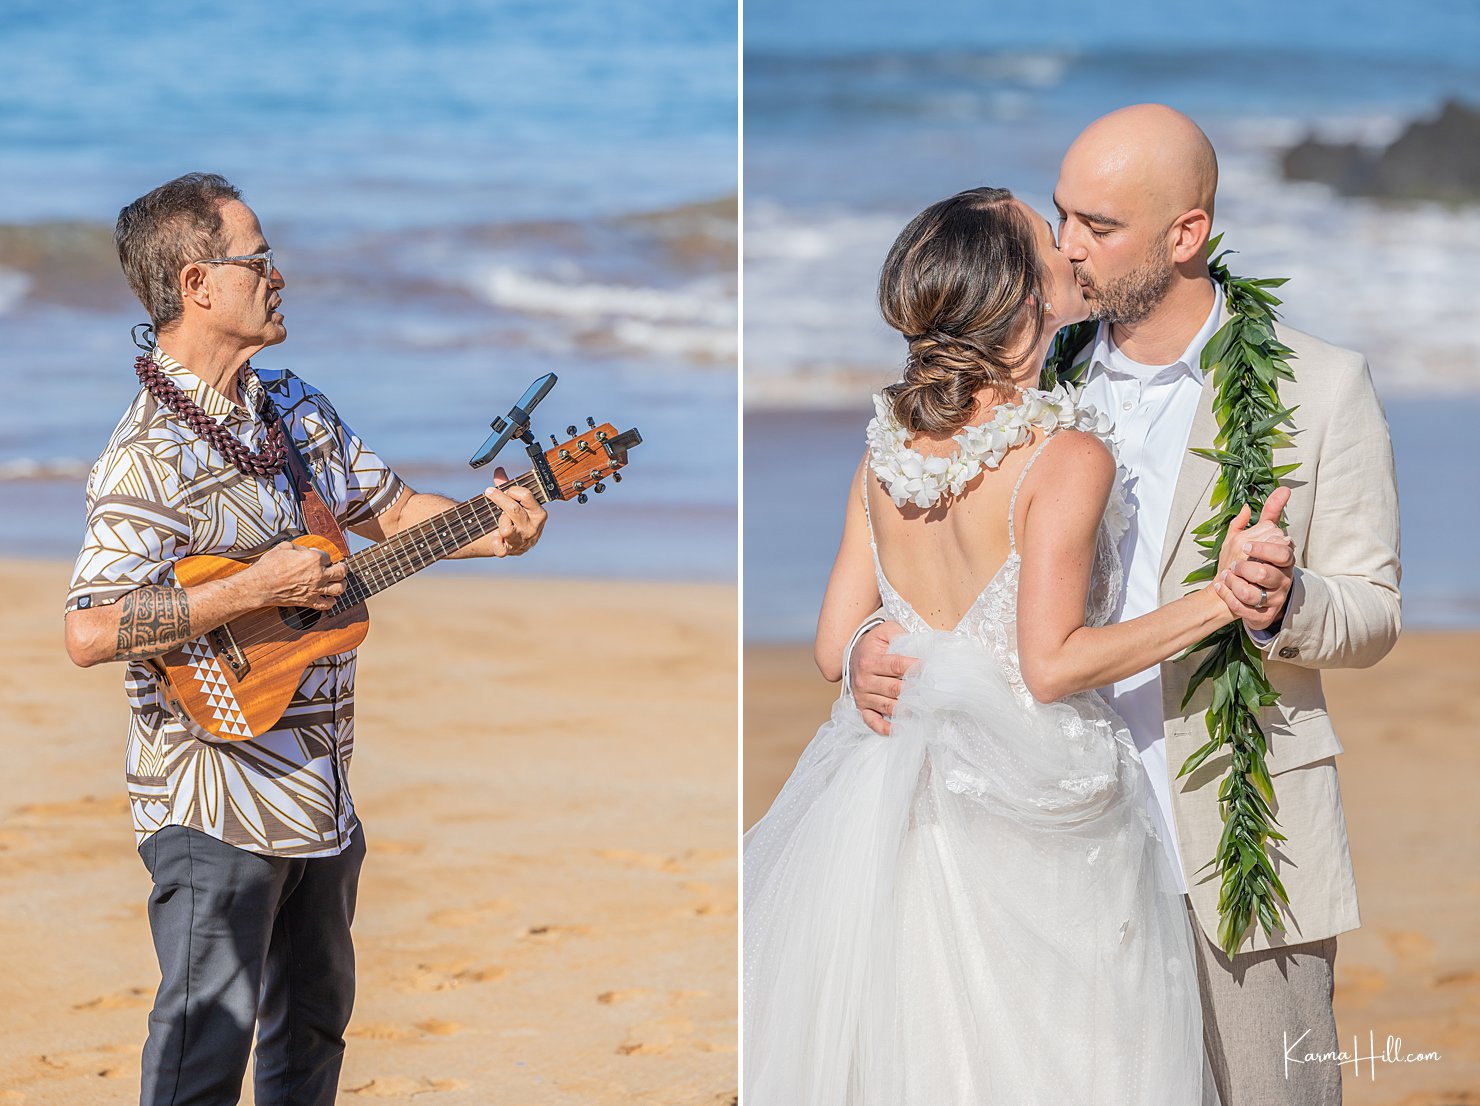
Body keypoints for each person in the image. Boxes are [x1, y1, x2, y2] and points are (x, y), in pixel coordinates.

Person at [846, 106, 1401, 1105]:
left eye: (1097, 226)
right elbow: (937, 573)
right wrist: (861, 647)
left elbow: (1373, 609)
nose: (1066, 246)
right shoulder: (1027, 375)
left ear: (1183, 235)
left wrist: (1279, 602)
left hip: (1242, 830)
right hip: (1051, 832)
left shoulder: (1322, 387)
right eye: (1059, 216)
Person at [743, 185, 1286, 1103]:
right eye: (1048, 238)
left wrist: (889, 639)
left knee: (930, 1043)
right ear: (1026, 298)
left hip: (899, 798)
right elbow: (1052, 663)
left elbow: (837, 645)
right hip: (1036, 796)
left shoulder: (886, 449)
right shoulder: (1063, 454)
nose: (1071, 247)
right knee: (1061, 1052)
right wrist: (1219, 601)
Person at [62, 172, 547, 1106]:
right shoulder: (146, 453)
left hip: (321, 787)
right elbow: (91, 629)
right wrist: (255, 586)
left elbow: (398, 511)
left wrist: (499, 524)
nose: (279, 274)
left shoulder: (296, 406)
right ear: (199, 282)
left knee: (313, 1032)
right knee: (205, 1045)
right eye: (260, 258)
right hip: (211, 796)